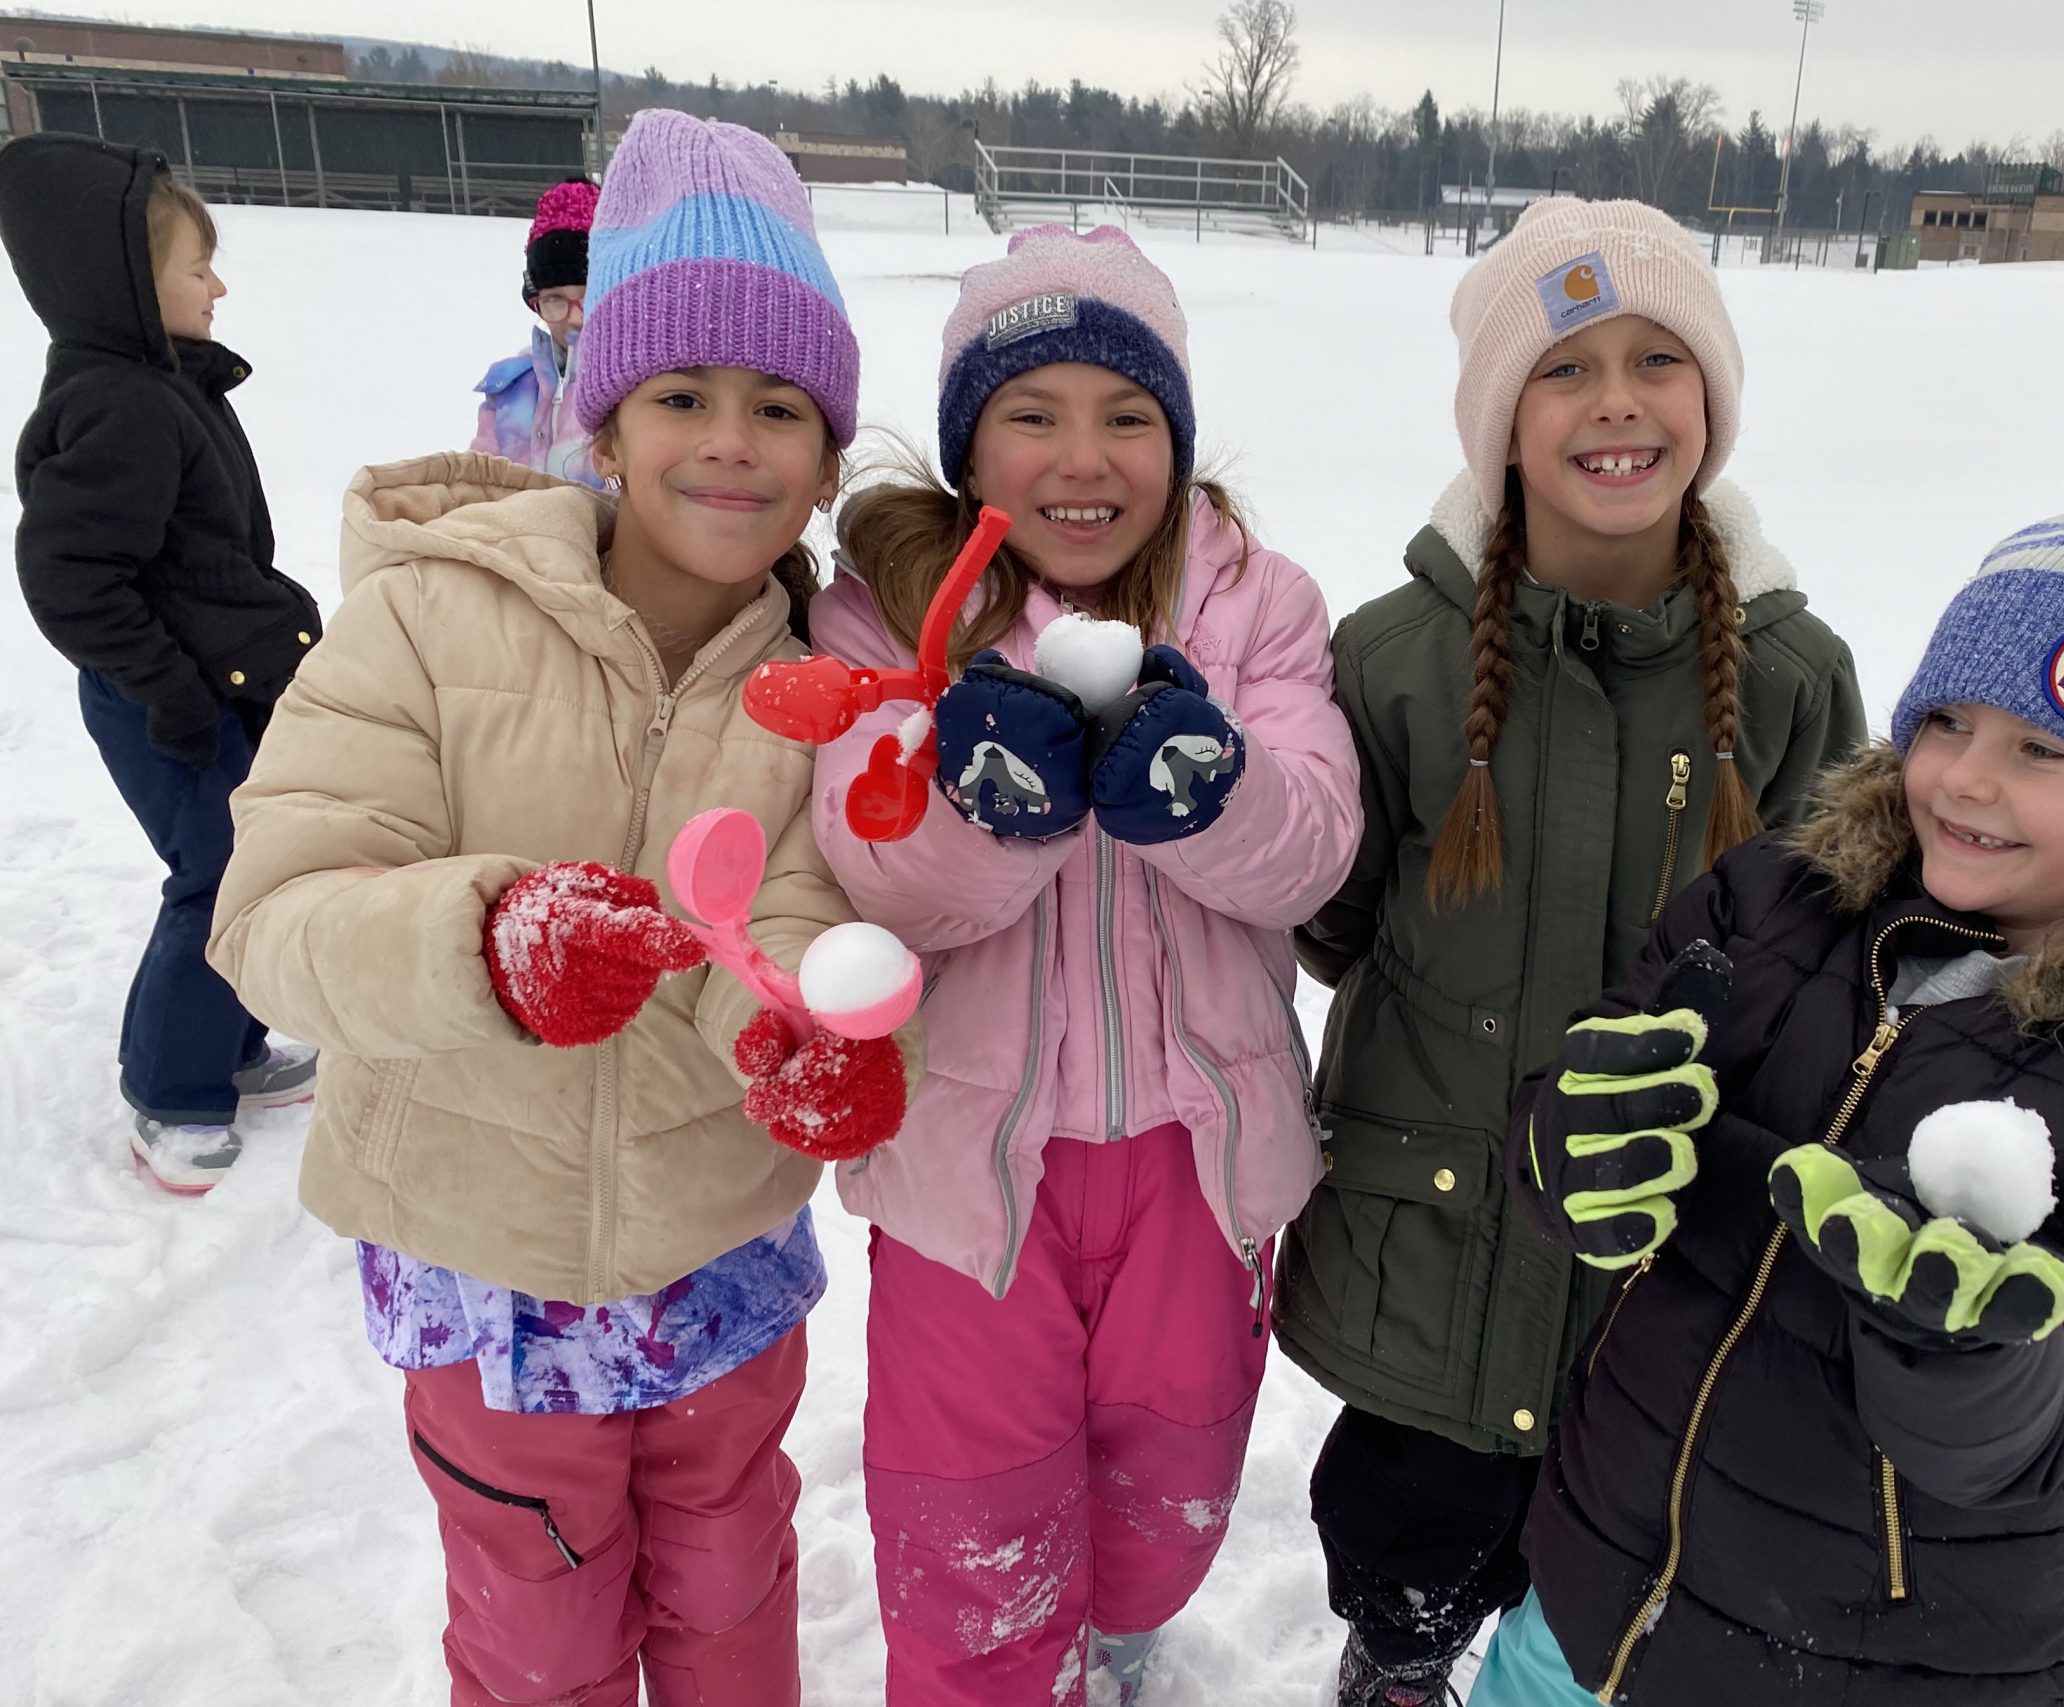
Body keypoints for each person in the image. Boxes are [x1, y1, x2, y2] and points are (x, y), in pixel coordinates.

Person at [1485, 444, 2064, 1705]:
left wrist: (1960, 1344)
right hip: (1588, 1591)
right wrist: (1565, 1147)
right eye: (1947, 721)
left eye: (2044, 751)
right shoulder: (1773, 898)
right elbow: (1591, 1086)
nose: (1964, 778)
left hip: (1875, 1671)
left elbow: (2032, 1441)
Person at [208, 111, 902, 1706]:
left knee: (735, 1597)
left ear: (825, 453)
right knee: (537, 1633)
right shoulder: (427, 618)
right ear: (602, 423)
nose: (730, 439)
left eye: (778, 406)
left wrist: (792, 1031)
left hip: (716, 1265)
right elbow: (278, 910)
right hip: (486, 1267)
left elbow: (785, 909)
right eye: (682, 395)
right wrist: (484, 938)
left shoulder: (818, 686)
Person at [1270, 195, 1866, 1704]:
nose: (1616, 400)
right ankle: (1391, 1671)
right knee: (1407, 1561)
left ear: (1710, 404)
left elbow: (1825, 969)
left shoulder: (1794, 678)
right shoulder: (1392, 659)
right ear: (1503, 426)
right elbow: (1336, 925)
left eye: (1659, 358)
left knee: (1612, 1602)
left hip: (1658, 1268)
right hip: (1440, 1254)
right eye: (1566, 366)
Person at [808, 222, 1361, 1705]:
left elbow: (1314, 847)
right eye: (1032, 414)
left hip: (1199, 1154)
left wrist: (1210, 791)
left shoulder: (1256, 604)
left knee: (1164, 1484)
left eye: (1128, 417)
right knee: (972, 1516)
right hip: (967, 1169)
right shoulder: (892, 617)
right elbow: (879, 878)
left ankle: (1113, 1635)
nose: (1084, 456)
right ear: (967, 447)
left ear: (1175, 444)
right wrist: (991, 813)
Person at [0, 134, 325, 1189]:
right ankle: (168, 1089)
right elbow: (73, 579)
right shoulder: (123, 404)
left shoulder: (161, 383)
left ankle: (226, 1048)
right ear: (128, 286)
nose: (218, 284)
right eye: (197, 268)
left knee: (250, 867)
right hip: (168, 698)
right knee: (217, 876)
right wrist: (174, 694)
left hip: (214, 681)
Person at [472, 176, 608, 489]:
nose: (576, 318)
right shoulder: (509, 389)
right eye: (555, 300)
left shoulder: (635, 391)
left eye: (591, 296)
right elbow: (478, 482)